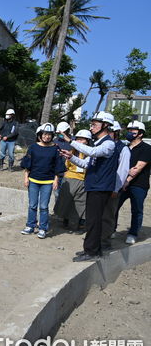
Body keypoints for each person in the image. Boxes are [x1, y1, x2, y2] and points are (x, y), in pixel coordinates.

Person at [59, 111, 117, 262]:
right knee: (93, 220)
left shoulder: (108, 144)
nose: (92, 127)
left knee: (93, 220)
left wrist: (71, 140)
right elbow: (86, 163)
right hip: (94, 186)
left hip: (100, 188)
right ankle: (92, 249)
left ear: (105, 125)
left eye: (95, 124)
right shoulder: (99, 144)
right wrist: (71, 157)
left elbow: (92, 152)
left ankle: (91, 252)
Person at [20, 123, 66, 239]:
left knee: (44, 206)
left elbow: (58, 166)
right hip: (33, 180)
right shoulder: (33, 147)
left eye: (49, 135)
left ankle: (43, 228)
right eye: (45, 134)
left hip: (48, 182)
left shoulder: (55, 149)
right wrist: (26, 178)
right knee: (32, 205)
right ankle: (30, 225)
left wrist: (56, 180)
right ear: (40, 135)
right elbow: (27, 165)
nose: (47, 137)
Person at [117, 120, 151, 245]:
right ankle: (111, 229)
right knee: (114, 206)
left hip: (139, 185)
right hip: (122, 183)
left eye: (133, 130)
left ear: (140, 133)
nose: (130, 132)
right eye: (129, 130)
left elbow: (137, 168)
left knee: (136, 210)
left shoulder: (147, 148)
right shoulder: (125, 147)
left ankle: (133, 233)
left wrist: (127, 180)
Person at [100, 121, 130, 252]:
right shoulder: (102, 145)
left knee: (108, 216)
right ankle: (96, 239)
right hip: (99, 186)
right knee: (96, 215)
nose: (107, 134)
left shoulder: (123, 149)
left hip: (111, 188)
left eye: (110, 131)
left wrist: (116, 188)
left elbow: (122, 171)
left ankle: (105, 243)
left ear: (116, 133)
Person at [54, 129, 91, 231]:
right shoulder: (71, 152)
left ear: (87, 141)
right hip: (70, 178)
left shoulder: (90, 153)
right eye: (77, 139)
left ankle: (74, 224)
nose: (79, 141)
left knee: (79, 203)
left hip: (83, 180)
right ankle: (64, 221)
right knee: (66, 201)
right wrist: (57, 178)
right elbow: (66, 167)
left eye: (81, 139)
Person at [53, 121, 72, 201]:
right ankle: (57, 212)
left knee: (67, 196)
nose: (60, 135)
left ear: (67, 131)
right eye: (59, 133)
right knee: (57, 195)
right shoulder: (55, 142)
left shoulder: (73, 142)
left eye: (62, 132)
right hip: (57, 173)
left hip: (69, 174)